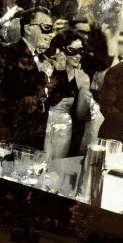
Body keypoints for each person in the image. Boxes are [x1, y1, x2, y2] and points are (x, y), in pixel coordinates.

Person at [0, 6, 56, 151]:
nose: (51, 34)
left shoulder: (44, 60)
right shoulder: (7, 54)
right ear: (28, 28)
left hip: (32, 142)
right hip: (6, 142)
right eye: (46, 28)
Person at [43, 30, 93, 158]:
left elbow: (80, 114)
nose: (77, 55)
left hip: (63, 127)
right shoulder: (47, 68)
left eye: (80, 51)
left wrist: (87, 102)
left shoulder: (83, 78)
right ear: (61, 50)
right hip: (42, 124)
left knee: (56, 168)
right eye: (72, 50)